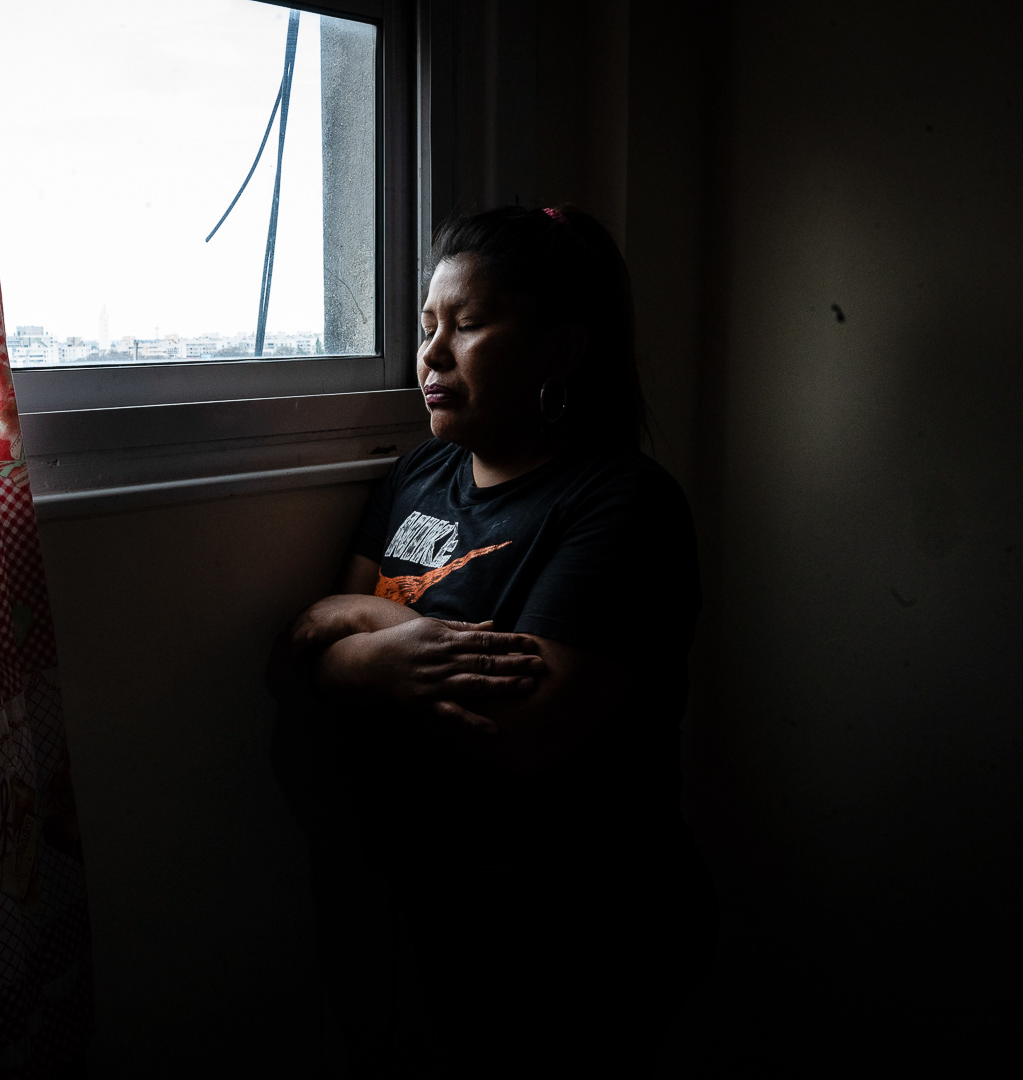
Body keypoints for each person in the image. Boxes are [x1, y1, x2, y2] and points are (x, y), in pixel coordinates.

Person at [269, 205, 715, 1074]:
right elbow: (313, 646)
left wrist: (369, 626)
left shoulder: (622, 506)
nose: (431, 355)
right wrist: (374, 641)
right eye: (430, 325)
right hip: (436, 893)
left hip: (579, 917)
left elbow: (523, 729)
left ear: (560, 349)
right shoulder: (419, 474)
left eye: (468, 326)